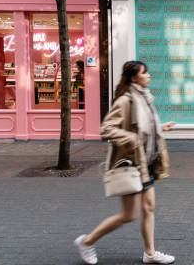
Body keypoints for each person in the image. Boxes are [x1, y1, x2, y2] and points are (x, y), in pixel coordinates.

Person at [74, 61, 176, 264]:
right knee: (128, 215)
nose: (149, 76)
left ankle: (150, 253)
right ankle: (86, 242)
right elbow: (106, 129)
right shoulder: (126, 100)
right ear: (133, 77)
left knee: (149, 207)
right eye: (145, 73)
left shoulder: (144, 98)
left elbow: (144, 127)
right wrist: (129, 138)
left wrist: (161, 127)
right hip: (130, 164)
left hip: (146, 163)